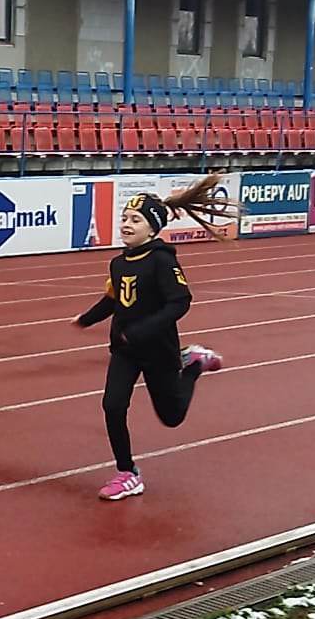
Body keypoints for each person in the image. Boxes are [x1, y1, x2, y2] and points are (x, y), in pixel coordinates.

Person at [73, 178, 234, 502]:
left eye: (135, 220)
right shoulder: (118, 263)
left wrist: (143, 330)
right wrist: (87, 319)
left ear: (152, 228)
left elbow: (180, 302)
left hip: (158, 349)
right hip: (125, 350)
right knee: (112, 405)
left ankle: (193, 365)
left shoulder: (162, 260)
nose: (126, 224)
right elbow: (114, 299)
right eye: (124, 218)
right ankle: (127, 473)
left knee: (172, 417)